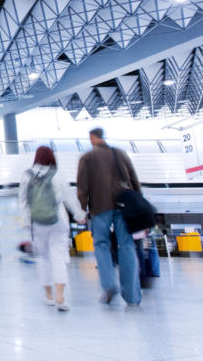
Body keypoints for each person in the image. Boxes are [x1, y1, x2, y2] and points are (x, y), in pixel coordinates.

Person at [77, 127, 142, 306]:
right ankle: (133, 297)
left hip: (100, 206)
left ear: (92, 137)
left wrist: (81, 211)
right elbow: (134, 180)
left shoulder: (87, 158)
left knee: (101, 244)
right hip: (124, 206)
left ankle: (109, 284)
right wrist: (139, 205)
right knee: (127, 246)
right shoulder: (120, 154)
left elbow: (82, 187)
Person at [20, 146, 85, 310]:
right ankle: (60, 298)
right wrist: (79, 215)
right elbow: (70, 198)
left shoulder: (27, 175)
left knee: (43, 259)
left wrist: (28, 221)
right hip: (58, 221)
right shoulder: (57, 174)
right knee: (59, 257)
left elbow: (23, 202)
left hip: (37, 223)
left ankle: (49, 296)